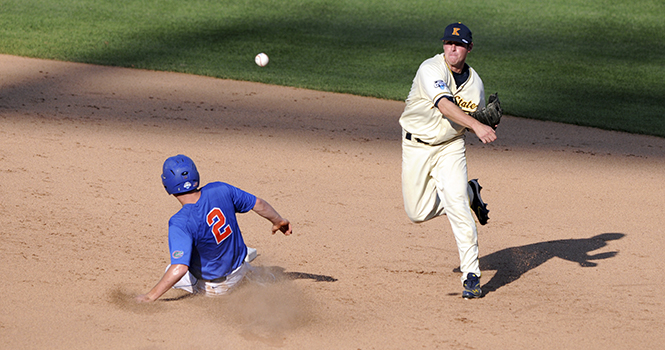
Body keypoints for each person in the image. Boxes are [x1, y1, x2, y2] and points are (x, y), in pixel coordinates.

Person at [399, 22, 497, 299]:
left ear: (469, 48)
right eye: (448, 43)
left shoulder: (475, 84)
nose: (453, 48)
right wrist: (478, 127)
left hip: (451, 148)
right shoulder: (430, 68)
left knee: (456, 207)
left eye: (459, 44)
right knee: (416, 213)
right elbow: (444, 104)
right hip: (416, 146)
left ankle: (471, 275)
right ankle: (470, 192)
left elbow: (471, 119)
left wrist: (483, 123)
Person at [136, 154, 292, 302]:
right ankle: (255, 280)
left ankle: (237, 289)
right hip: (240, 270)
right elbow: (258, 203)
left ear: (167, 186)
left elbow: (180, 268)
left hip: (217, 289)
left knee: (171, 268)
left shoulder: (180, 222)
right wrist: (278, 221)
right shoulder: (220, 189)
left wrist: (150, 296)